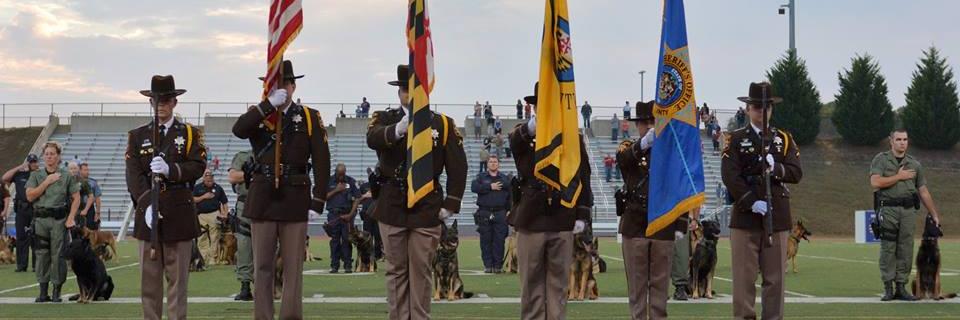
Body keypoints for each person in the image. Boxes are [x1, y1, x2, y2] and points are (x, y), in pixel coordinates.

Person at [367, 64, 467, 319]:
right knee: (396, 270)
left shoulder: (442, 124)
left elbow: (458, 166)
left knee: (421, 269)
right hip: (392, 202)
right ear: (398, 92)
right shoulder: (385, 118)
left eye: (413, 90)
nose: (408, 95)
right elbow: (372, 138)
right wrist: (398, 130)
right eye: (404, 90)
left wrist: (450, 204)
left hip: (426, 204)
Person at [233, 60, 331, 320]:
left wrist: (318, 200)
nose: (282, 88)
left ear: (294, 86)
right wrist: (268, 105)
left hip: (295, 197)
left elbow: (322, 159)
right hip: (263, 196)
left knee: (292, 268)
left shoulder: (309, 117)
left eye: (286, 83)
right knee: (262, 266)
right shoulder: (260, 114)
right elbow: (239, 130)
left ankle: (291, 316)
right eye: (276, 83)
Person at [126, 75, 206, 318]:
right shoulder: (138, 135)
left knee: (178, 282)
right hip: (148, 215)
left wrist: (172, 170)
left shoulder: (190, 134)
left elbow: (198, 166)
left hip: (179, 213)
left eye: (165, 100)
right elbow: (133, 174)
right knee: (149, 284)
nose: (160, 105)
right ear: (150, 102)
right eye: (156, 100)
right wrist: (147, 202)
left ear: (174, 102)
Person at [510, 83, 592, 319]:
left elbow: (582, 176)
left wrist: (582, 214)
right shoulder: (525, 134)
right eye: (542, 105)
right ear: (535, 108)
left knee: (558, 286)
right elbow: (515, 144)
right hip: (531, 218)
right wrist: (534, 126)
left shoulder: (572, 138)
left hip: (562, 215)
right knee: (531, 286)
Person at [721, 82, 803, 320]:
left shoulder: (784, 139)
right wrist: (750, 201)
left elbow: (796, 172)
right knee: (743, 280)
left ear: (771, 109)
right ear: (748, 109)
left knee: (775, 281)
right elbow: (730, 175)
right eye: (757, 107)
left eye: (766, 107)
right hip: (745, 218)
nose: (762, 111)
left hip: (776, 218)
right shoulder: (735, 139)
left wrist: (776, 168)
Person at [618, 100, 685, 320]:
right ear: (637, 125)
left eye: (652, 122)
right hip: (635, 224)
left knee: (660, 290)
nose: (648, 126)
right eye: (644, 123)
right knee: (637, 290)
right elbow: (623, 162)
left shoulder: (671, 152)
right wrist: (644, 144)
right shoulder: (628, 147)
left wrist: (681, 223)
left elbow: (680, 186)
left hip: (663, 224)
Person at [871, 129, 941, 301]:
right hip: (889, 209)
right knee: (888, 248)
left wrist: (934, 214)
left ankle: (901, 287)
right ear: (891, 141)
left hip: (909, 211)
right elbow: (875, 182)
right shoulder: (881, 160)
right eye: (899, 139)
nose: (902, 142)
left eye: (905, 139)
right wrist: (899, 176)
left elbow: (923, 191)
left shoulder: (914, 164)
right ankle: (888, 287)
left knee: (906, 248)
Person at [25, 141, 80, 303]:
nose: (49, 157)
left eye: (52, 154)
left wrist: (71, 217)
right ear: (43, 156)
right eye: (47, 154)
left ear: (58, 156)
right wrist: (47, 182)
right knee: (41, 254)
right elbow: (30, 196)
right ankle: (43, 291)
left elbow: (76, 198)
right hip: (40, 220)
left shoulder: (66, 175)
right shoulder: (36, 175)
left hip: (58, 220)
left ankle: (57, 290)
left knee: (58, 255)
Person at [471, 155, 512, 273]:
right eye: (491, 162)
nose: (493, 163)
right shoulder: (481, 177)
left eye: (495, 162)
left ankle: (498, 266)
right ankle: (488, 266)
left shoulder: (504, 178)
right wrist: (490, 186)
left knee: (499, 240)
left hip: (500, 212)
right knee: (485, 240)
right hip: (484, 212)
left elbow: (510, 195)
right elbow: (474, 187)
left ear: (498, 164)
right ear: (487, 164)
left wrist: (509, 210)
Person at [3, 154, 40, 272]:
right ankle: (21, 265)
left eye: (34, 161)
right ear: (28, 163)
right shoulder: (20, 174)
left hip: (35, 208)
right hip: (21, 209)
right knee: (21, 237)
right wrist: (19, 167)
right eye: (31, 162)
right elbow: (4, 178)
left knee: (36, 237)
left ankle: (36, 265)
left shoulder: (39, 175)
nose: (33, 164)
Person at [227, 149, 254, 301]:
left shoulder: (274, 154)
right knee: (244, 244)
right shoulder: (243, 156)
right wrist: (252, 174)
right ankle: (245, 285)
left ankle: (271, 283)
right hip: (245, 202)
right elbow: (232, 177)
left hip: (269, 203)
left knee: (269, 245)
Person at [326, 162, 359, 274]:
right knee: (334, 241)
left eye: (343, 174)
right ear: (335, 172)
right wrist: (336, 190)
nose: (341, 176)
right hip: (333, 215)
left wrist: (351, 214)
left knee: (347, 240)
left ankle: (348, 265)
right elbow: (323, 197)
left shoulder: (351, 181)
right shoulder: (329, 181)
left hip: (347, 215)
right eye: (339, 174)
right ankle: (334, 265)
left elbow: (357, 198)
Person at [193, 169, 229, 264]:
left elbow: (224, 202)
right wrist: (203, 197)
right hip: (201, 215)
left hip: (214, 213)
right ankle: (204, 258)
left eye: (211, 179)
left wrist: (225, 214)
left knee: (215, 237)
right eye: (207, 179)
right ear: (204, 178)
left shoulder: (218, 188)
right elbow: (193, 199)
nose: (210, 181)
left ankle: (213, 259)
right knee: (201, 237)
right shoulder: (197, 188)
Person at [357, 173, 383, 261]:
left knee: (377, 235)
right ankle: (367, 254)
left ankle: (377, 255)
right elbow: (357, 199)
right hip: (366, 214)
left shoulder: (379, 185)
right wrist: (365, 196)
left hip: (377, 214)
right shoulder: (363, 186)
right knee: (367, 236)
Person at [77, 163, 102, 230]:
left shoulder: (93, 182)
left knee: (91, 230)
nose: (87, 172)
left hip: (90, 210)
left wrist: (98, 213)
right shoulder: (75, 181)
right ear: (80, 171)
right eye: (85, 170)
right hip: (77, 208)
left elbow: (97, 199)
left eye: (88, 170)